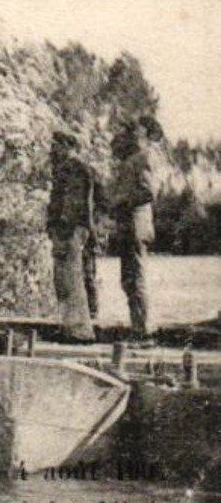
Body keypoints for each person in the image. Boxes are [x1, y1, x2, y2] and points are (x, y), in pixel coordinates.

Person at [48, 130, 105, 341]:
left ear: (67, 146)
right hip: (69, 230)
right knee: (65, 280)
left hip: (69, 231)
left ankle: (79, 331)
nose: (53, 149)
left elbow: (74, 204)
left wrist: (62, 228)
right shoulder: (70, 168)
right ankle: (70, 327)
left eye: (57, 144)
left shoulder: (74, 168)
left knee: (70, 278)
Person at [111, 119, 159, 340]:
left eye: (137, 132)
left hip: (135, 225)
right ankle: (138, 327)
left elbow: (149, 192)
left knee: (135, 278)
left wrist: (122, 201)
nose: (132, 135)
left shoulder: (144, 157)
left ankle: (143, 331)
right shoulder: (135, 158)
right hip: (129, 225)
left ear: (145, 135)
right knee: (129, 279)